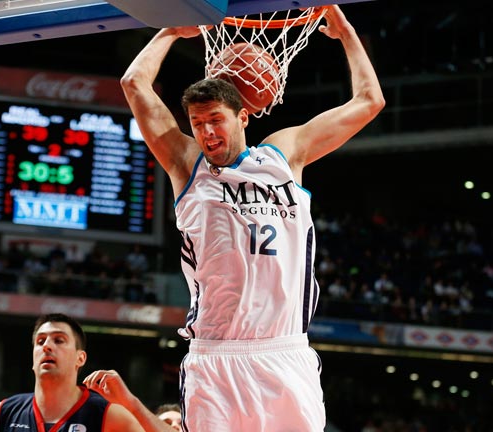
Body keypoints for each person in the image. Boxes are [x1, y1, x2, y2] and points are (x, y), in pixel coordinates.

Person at [107, 4, 384, 430]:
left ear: (243, 116)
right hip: (216, 357)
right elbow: (133, 83)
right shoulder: (187, 164)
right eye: (197, 123)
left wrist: (345, 32)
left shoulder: (284, 155)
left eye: (215, 120)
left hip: (285, 351)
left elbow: (369, 101)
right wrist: (169, 32)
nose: (207, 132)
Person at [0, 314, 150, 432]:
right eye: (40, 341)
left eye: (59, 340)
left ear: (80, 358)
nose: (46, 346)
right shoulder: (0, 415)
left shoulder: (110, 416)